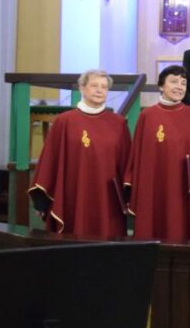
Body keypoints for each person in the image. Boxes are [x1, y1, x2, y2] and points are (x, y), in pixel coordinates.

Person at [29, 70, 131, 237]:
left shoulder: (118, 123)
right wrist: (42, 200)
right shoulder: (64, 121)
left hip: (108, 197)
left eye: (104, 87)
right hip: (73, 192)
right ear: (82, 88)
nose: (99, 90)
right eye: (94, 85)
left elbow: (127, 163)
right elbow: (49, 160)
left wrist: (129, 195)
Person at [125, 65, 190, 242]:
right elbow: (137, 156)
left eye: (183, 83)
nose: (179, 87)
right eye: (174, 82)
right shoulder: (147, 116)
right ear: (161, 86)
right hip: (154, 186)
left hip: (184, 188)